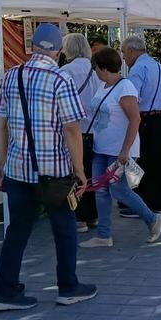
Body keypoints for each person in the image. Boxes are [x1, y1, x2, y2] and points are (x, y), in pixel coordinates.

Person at [0, 22, 95, 310]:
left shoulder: (11, 76)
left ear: (31, 47)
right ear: (59, 51)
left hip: (17, 170)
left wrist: (2, 165)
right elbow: (72, 129)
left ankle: (3, 290)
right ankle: (68, 287)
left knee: (18, 231)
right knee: (64, 228)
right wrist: (81, 170)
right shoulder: (60, 80)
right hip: (54, 172)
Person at [83, 47, 161, 249]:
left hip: (119, 150)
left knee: (120, 190)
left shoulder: (125, 87)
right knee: (101, 191)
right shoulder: (103, 87)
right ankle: (104, 235)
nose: (94, 72)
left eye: (95, 68)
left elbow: (135, 119)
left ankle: (152, 218)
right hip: (101, 148)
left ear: (103, 67)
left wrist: (125, 151)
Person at [121, 35, 161, 216]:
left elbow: (132, 96)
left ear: (132, 51)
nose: (124, 57)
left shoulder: (138, 68)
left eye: (125, 53)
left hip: (144, 120)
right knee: (157, 164)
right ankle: (158, 202)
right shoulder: (157, 65)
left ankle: (139, 204)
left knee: (139, 163)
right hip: (159, 119)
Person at [60, 33, 100, 232]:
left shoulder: (66, 71)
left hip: (76, 130)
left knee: (77, 173)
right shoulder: (96, 70)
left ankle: (80, 218)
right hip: (96, 129)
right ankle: (93, 215)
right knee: (92, 174)